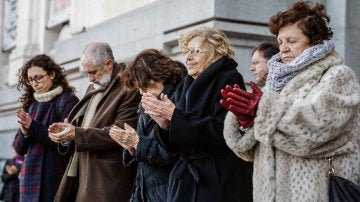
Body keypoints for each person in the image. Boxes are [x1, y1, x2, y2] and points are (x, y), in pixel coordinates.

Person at [221, 1, 360, 201]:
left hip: (316, 194)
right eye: (280, 42)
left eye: (292, 41)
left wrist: (266, 111)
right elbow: (249, 153)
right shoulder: (276, 83)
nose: (283, 49)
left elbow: (320, 129)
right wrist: (247, 124)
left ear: (315, 40)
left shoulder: (337, 75)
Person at [141, 27, 253, 202]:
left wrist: (174, 116)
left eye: (196, 51)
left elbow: (224, 131)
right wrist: (165, 126)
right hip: (187, 180)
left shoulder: (229, 78)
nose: (188, 57)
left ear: (216, 53)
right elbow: (175, 143)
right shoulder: (187, 83)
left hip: (217, 180)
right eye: (187, 51)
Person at [48, 42, 141, 202]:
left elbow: (121, 132)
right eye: (87, 73)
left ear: (108, 64)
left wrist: (75, 133)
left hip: (107, 180)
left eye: (93, 72)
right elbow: (84, 126)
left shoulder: (128, 86)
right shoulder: (94, 86)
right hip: (82, 174)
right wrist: (66, 134)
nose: (90, 78)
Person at [108, 49, 185, 201]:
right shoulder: (148, 99)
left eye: (146, 86)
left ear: (160, 76)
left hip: (170, 190)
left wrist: (137, 143)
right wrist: (130, 146)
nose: (142, 92)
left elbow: (176, 153)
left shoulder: (180, 96)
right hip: (145, 189)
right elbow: (143, 145)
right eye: (139, 89)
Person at [12, 54, 79, 201]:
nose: (35, 83)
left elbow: (65, 144)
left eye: (39, 77)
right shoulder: (30, 104)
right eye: (30, 80)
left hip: (55, 179)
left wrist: (33, 126)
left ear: (52, 74)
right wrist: (24, 132)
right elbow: (18, 149)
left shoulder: (68, 101)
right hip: (29, 182)